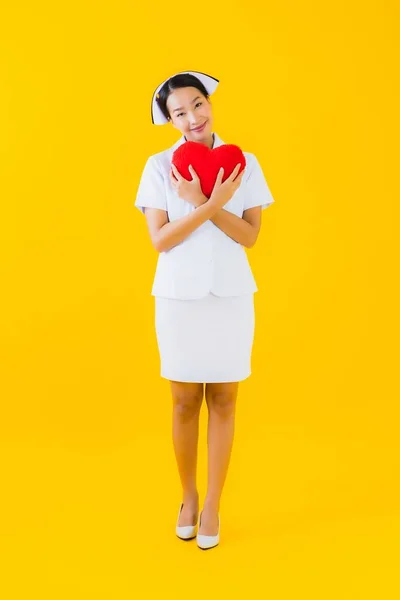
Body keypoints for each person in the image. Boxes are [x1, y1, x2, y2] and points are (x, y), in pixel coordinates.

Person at [134, 70, 275, 549]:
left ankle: (214, 501)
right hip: (177, 298)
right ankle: (189, 496)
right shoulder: (158, 166)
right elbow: (160, 240)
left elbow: (250, 236)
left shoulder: (245, 162)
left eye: (198, 104)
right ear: (169, 120)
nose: (193, 118)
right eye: (180, 112)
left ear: (209, 102)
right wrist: (210, 203)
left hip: (231, 296)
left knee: (225, 400)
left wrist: (209, 204)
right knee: (183, 401)